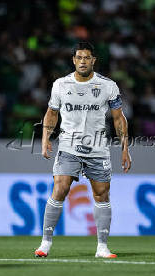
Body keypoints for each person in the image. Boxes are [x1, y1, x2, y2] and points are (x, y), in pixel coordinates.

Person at [35, 42, 131, 258]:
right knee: (60, 188)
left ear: (93, 60)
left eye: (87, 58)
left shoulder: (108, 86)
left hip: (98, 147)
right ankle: (45, 243)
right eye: (79, 57)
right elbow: (51, 113)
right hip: (69, 145)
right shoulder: (61, 84)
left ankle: (102, 247)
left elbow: (118, 118)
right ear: (73, 60)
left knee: (102, 194)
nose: (83, 61)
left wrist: (125, 148)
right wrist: (45, 138)